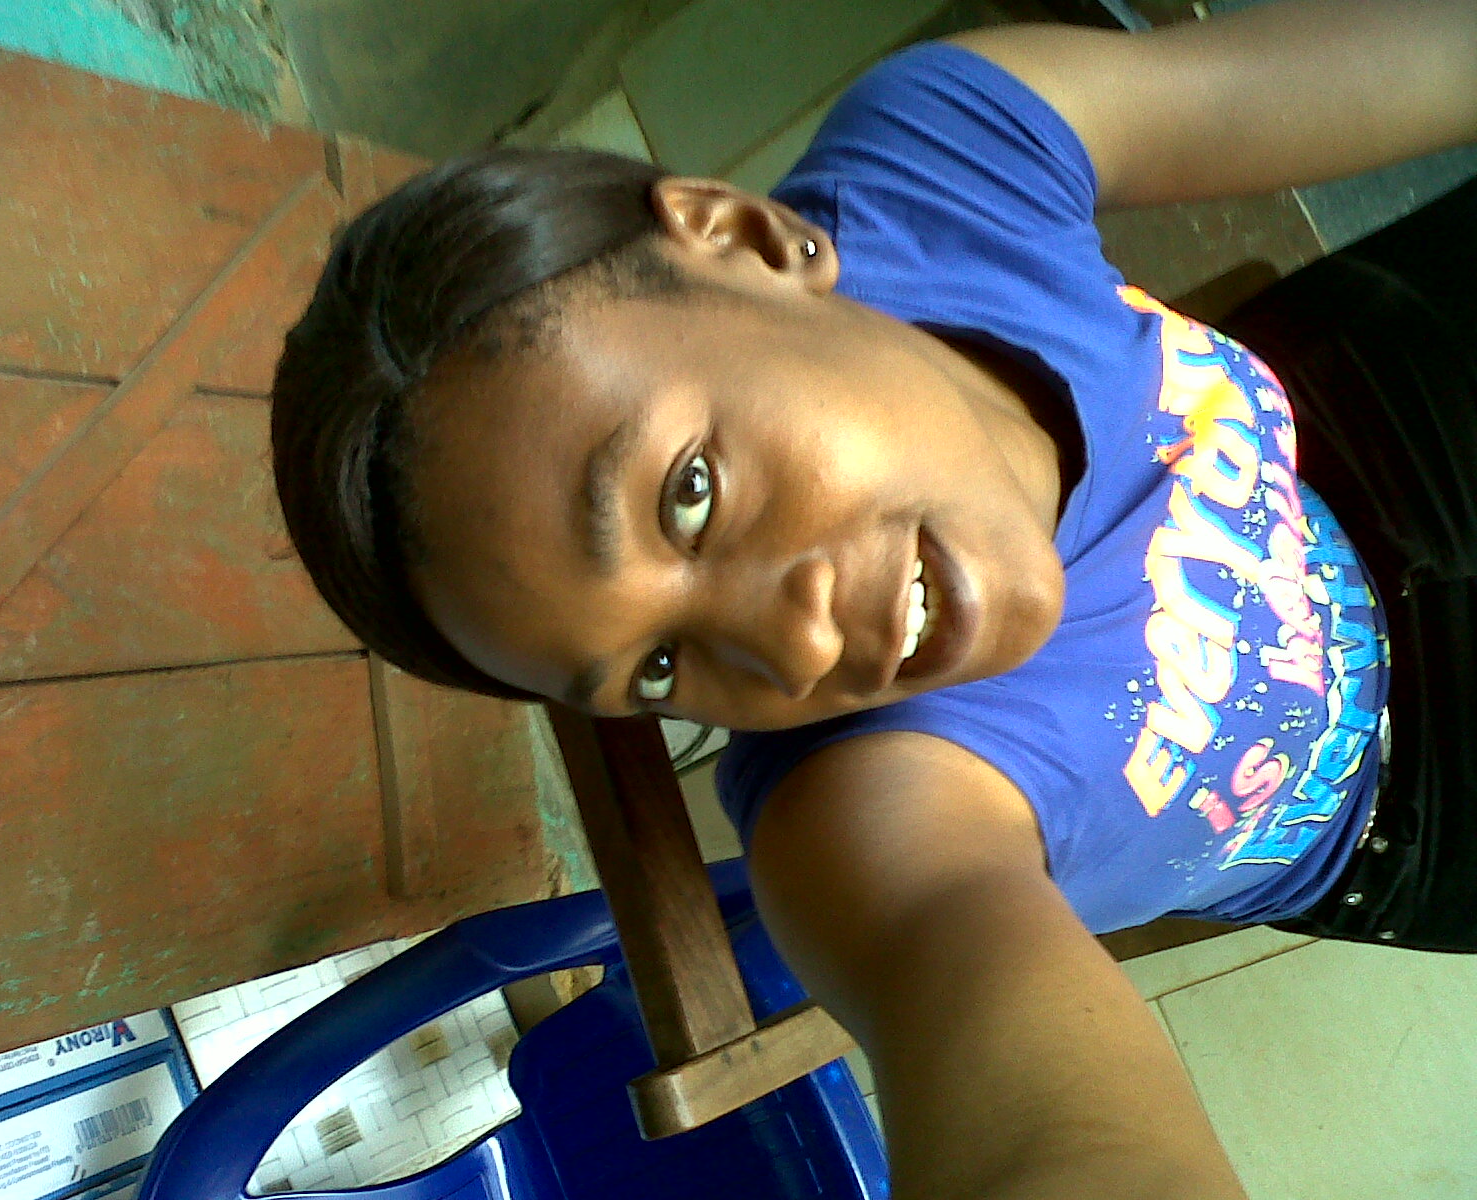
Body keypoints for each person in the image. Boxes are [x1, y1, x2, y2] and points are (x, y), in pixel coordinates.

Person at [269, 1, 1477, 1195]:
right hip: (1419, 795)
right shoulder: (867, 824)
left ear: (749, 244)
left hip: (1371, 420)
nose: (794, 650)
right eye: (659, 668)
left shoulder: (940, 173)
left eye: (692, 492)